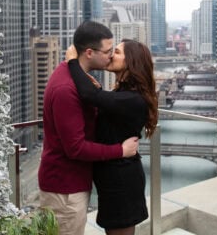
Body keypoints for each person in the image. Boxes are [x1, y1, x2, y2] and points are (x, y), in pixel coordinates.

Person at [38, 21, 139, 235]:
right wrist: (119, 150)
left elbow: (96, 103)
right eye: (108, 51)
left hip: (72, 183)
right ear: (90, 53)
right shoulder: (67, 89)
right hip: (65, 189)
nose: (111, 56)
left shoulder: (76, 79)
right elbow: (76, 148)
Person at [67, 39, 158, 235]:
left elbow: (90, 96)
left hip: (122, 183)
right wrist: (97, 90)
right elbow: (100, 99)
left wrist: (72, 62)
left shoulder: (132, 99)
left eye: (116, 52)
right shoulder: (125, 94)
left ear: (130, 61)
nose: (110, 55)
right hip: (116, 179)